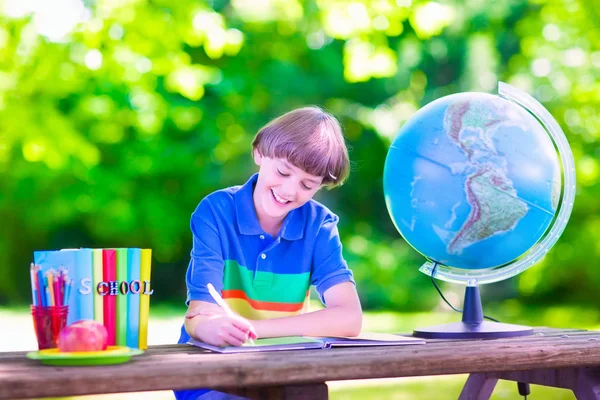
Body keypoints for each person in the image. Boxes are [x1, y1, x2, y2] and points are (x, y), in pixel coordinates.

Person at [175, 106, 363, 400]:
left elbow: (350, 318)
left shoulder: (319, 225)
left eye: (307, 184)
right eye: (283, 172)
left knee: (310, 392)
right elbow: (198, 316)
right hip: (213, 375)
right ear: (259, 153)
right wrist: (214, 327)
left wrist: (255, 329)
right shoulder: (215, 212)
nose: (289, 190)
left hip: (282, 369)